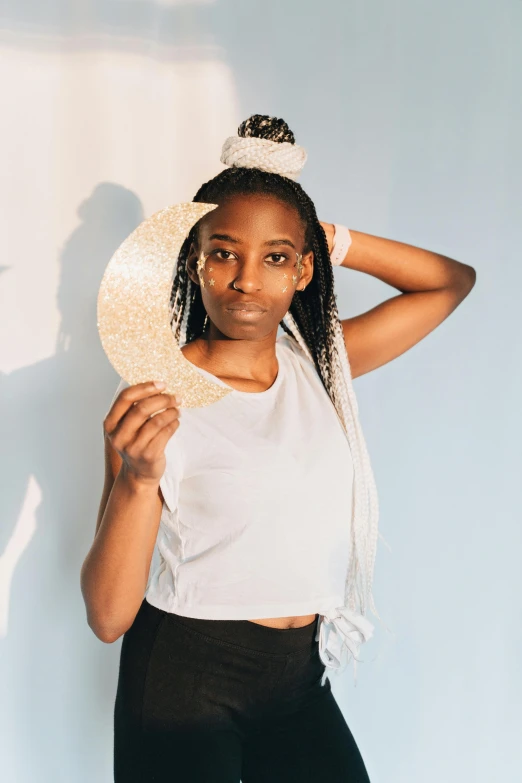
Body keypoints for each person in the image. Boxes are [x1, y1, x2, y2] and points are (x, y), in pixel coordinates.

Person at [81, 114, 476, 782]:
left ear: (303, 269)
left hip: (297, 678)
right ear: (195, 260)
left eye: (274, 256)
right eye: (224, 251)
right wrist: (137, 480)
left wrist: (330, 235)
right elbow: (108, 614)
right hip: (183, 676)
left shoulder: (321, 367)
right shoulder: (156, 391)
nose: (245, 279)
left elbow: (449, 281)